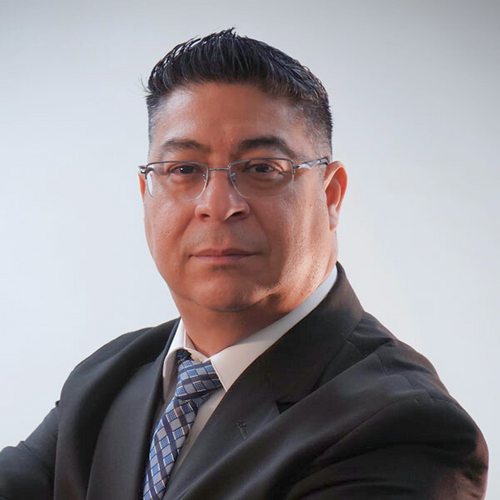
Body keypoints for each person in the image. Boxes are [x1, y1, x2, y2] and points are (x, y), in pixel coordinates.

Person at [0, 29, 488, 500]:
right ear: (146, 194)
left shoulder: (403, 427)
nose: (218, 205)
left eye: (261, 169)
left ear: (331, 195)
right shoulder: (109, 378)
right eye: (184, 169)